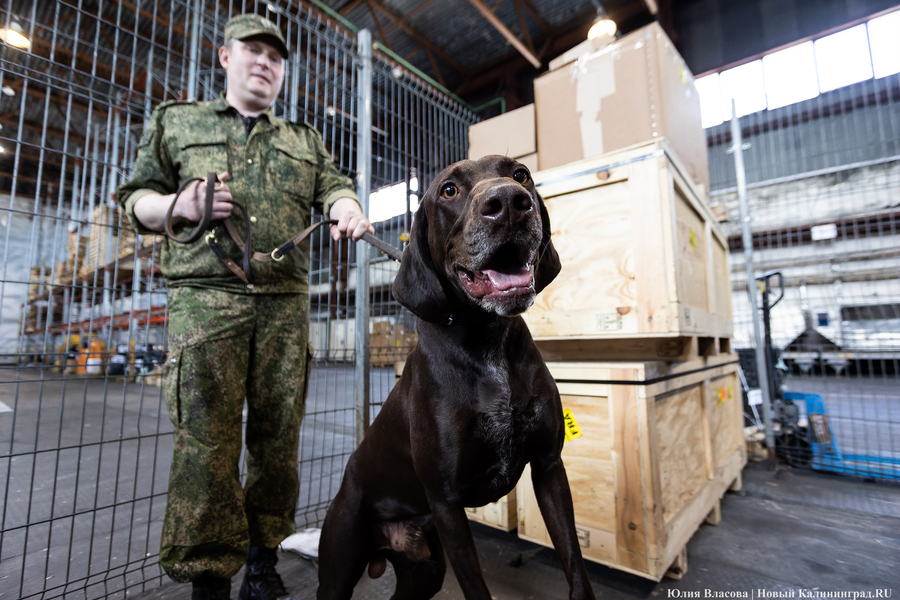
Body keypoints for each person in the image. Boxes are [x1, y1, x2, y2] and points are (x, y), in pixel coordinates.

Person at [117, 13, 374, 600]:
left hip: (283, 304)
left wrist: (347, 208)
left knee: (278, 440)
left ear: (282, 72)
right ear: (225, 56)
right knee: (205, 444)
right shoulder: (177, 121)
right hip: (206, 300)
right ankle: (210, 579)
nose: (265, 62)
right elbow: (134, 199)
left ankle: (263, 562)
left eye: (275, 57)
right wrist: (179, 205)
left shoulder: (304, 140)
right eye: (253, 50)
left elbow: (334, 187)